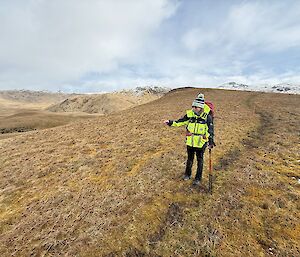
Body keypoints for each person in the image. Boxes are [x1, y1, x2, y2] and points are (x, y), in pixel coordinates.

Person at [164, 93, 215, 185]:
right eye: (193, 106)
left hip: (201, 143)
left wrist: (210, 140)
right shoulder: (189, 115)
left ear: (201, 107)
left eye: (196, 107)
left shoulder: (207, 117)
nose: (194, 108)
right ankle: (187, 174)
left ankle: (198, 179)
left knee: (200, 160)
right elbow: (180, 122)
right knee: (190, 159)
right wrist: (170, 122)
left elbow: (210, 130)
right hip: (190, 142)